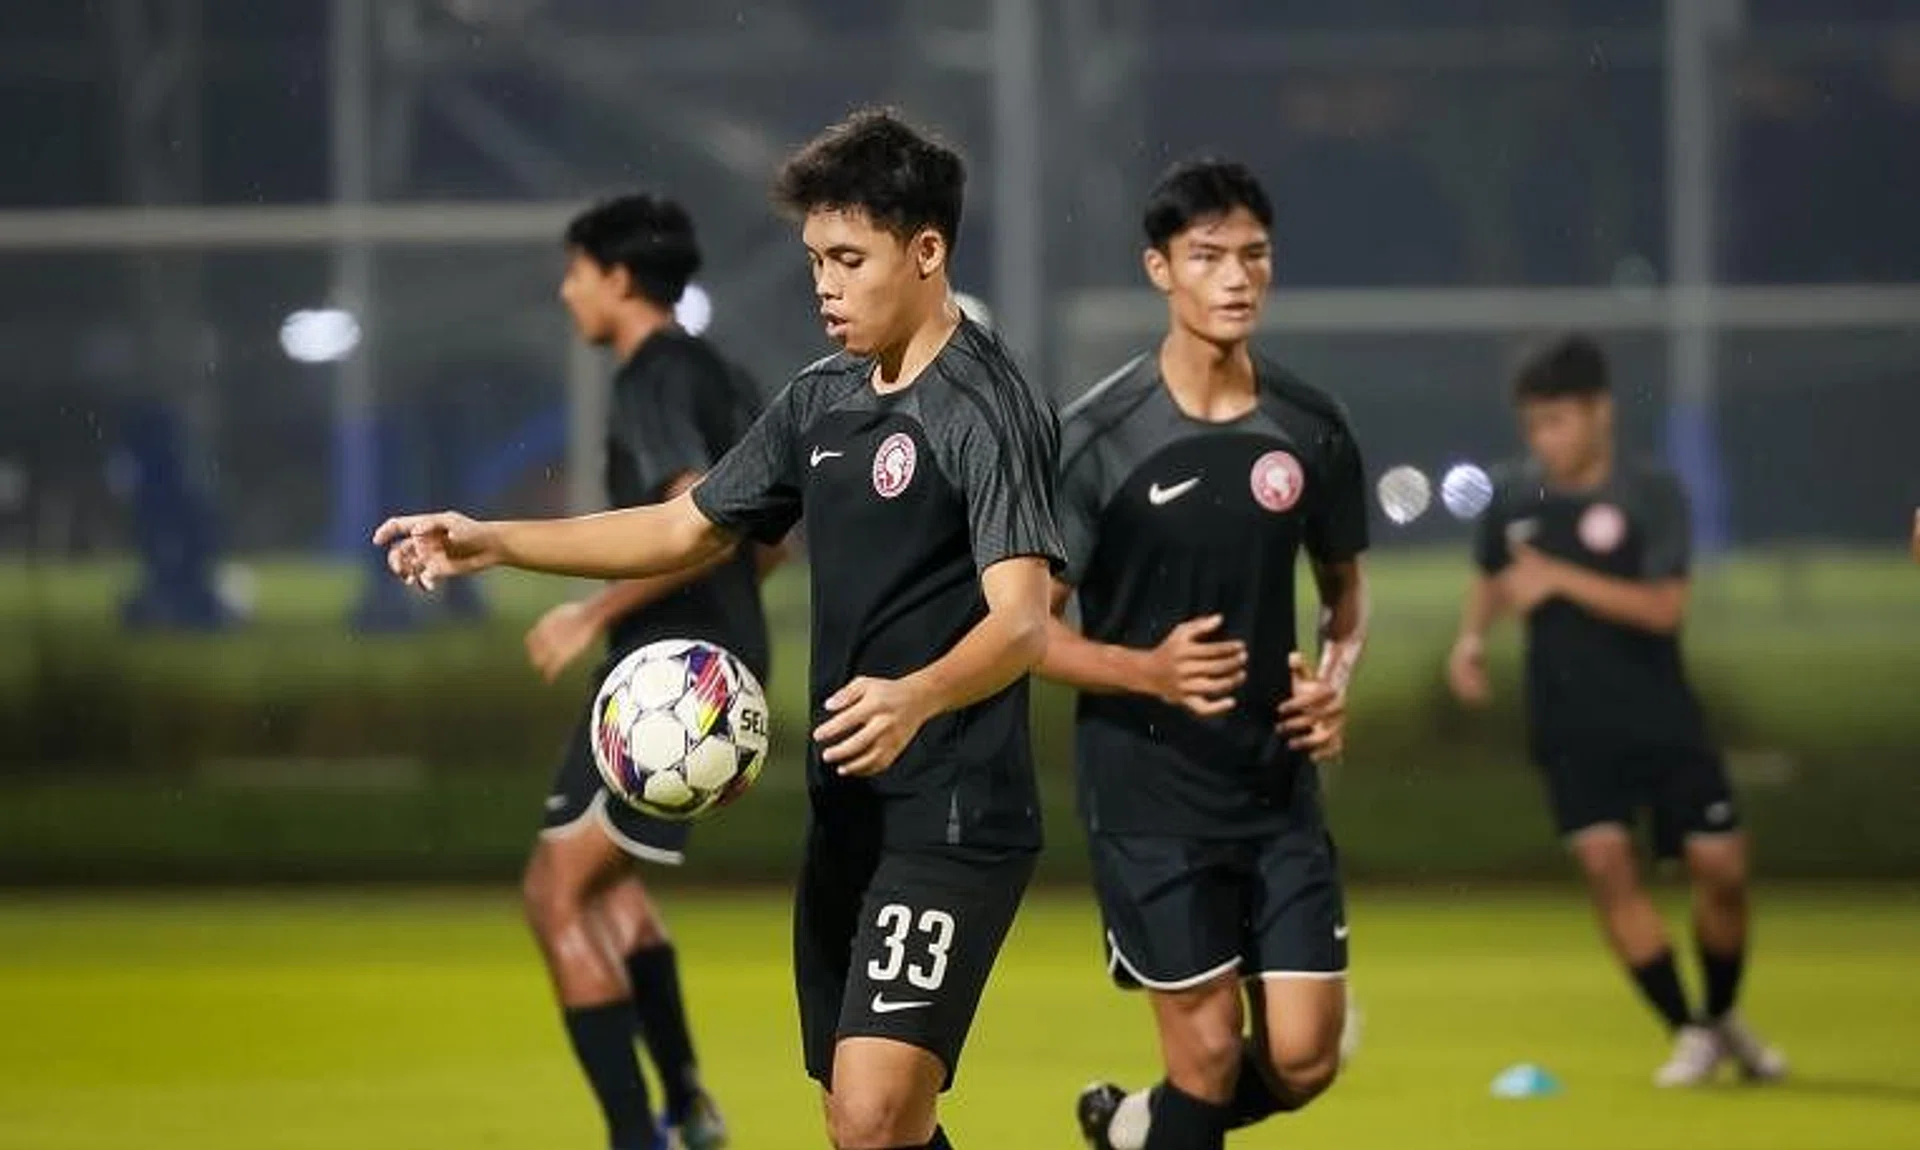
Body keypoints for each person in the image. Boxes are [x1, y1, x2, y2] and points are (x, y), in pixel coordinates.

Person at [376, 108, 1064, 1150]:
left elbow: (1023, 619)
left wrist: (918, 692)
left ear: (927, 251)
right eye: (814, 261)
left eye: (849, 258)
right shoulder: (820, 399)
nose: (825, 285)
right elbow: (679, 527)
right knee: (859, 1119)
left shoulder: (984, 405)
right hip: (849, 816)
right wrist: (494, 541)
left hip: (955, 815)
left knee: (874, 1115)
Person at [1043, 159, 1369, 1150]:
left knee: (1308, 1054)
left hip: (1274, 789)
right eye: (1208, 257)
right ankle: (1163, 1121)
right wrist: (1145, 669)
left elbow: (1344, 598)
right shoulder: (1096, 439)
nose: (1236, 278)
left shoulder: (1310, 427)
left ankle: (1135, 1131)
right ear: (1160, 269)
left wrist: (1333, 683)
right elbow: (1027, 630)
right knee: (1211, 1057)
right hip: (1147, 793)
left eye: (1254, 257)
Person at [1447, 334, 1787, 1088]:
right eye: (1533, 425)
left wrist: (1561, 580)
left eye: (1558, 422)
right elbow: (1495, 576)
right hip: (1568, 726)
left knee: (1721, 867)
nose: (1544, 441)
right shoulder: (1512, 494)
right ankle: (1688, 1030)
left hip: (1663, 718)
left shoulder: (1651, 492)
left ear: (1600, 412)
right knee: (1607, 866)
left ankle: (1723, 1011)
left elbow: (1665, 608)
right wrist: (1470, 640)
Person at [520, 193, 779, 1150]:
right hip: (717, 670)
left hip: (667, 683)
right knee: (610, 890)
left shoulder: (652, 377)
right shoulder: (727, 373)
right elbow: (772, 538)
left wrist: (591, 610)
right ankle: (689, 1105)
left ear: (618, 278)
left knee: (553, 895)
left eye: (576, 271)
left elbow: (696, 524)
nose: (566, 291)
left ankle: (640, 1135)